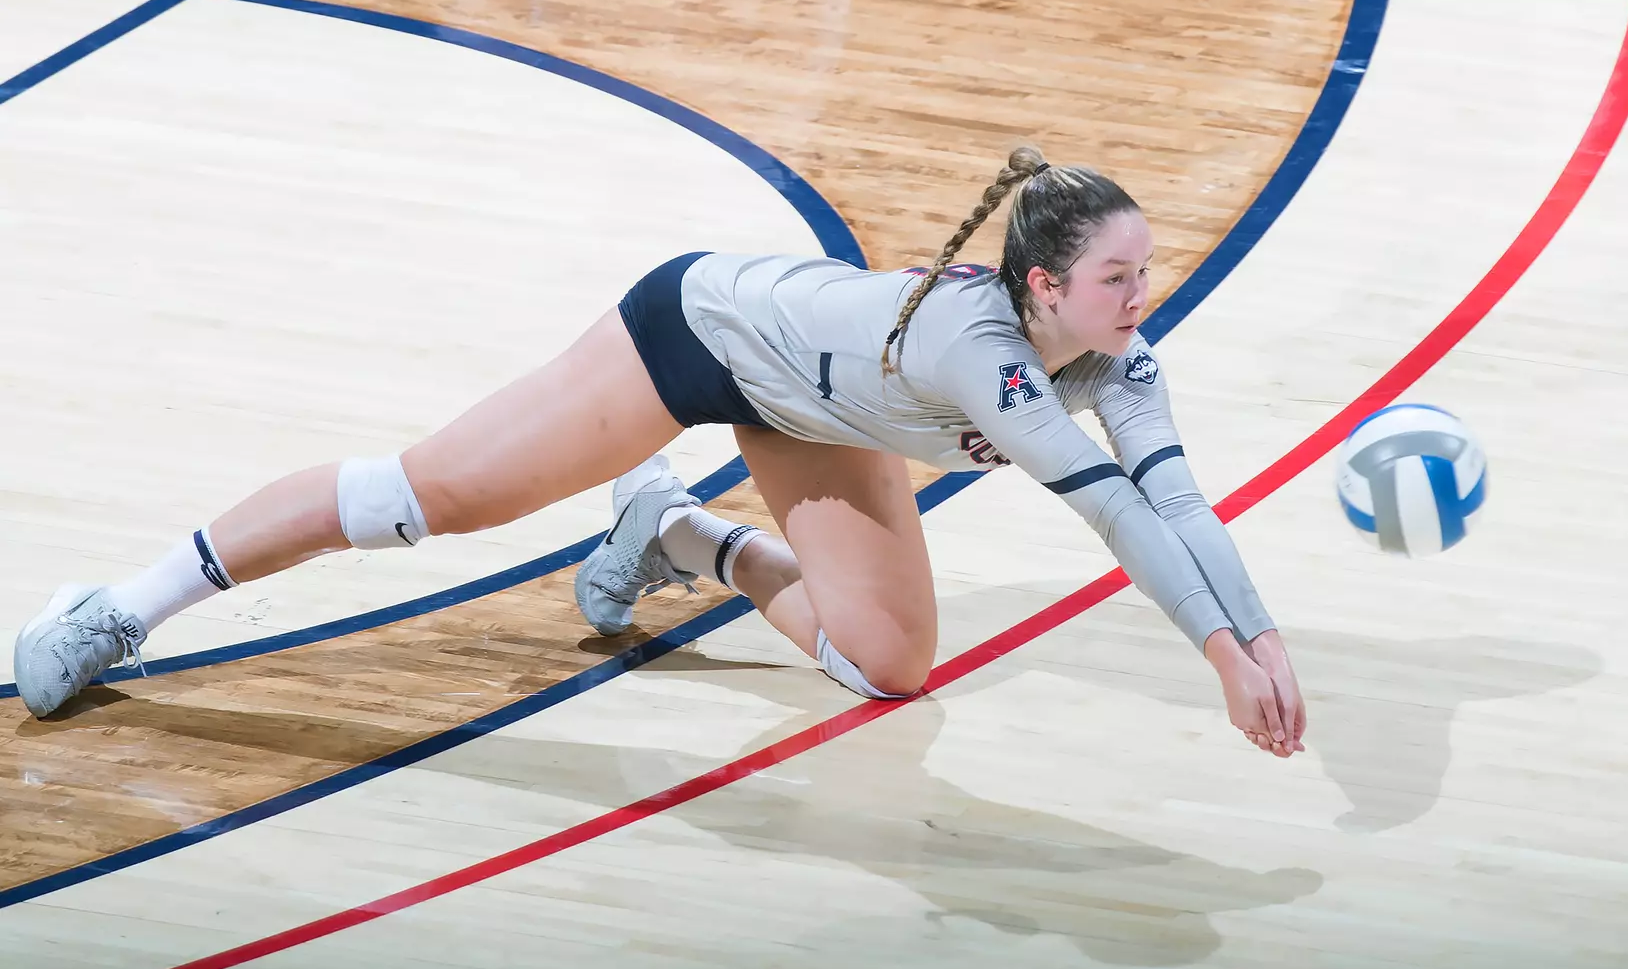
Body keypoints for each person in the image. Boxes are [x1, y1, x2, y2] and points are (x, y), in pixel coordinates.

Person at [14, 145, 1306, 757]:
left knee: (888, 667)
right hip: (697, 333)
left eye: (1146, 272)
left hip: (819, 413)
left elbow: (1179, 503)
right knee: (425, 498)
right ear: (1040, 285)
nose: (1142, 296)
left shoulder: (1119, 359)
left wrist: (1260, 639)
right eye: (1119, 277)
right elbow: (1113, 514)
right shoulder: (986, 351)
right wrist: (1217, 659)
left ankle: (680, 533)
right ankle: (121, 606)